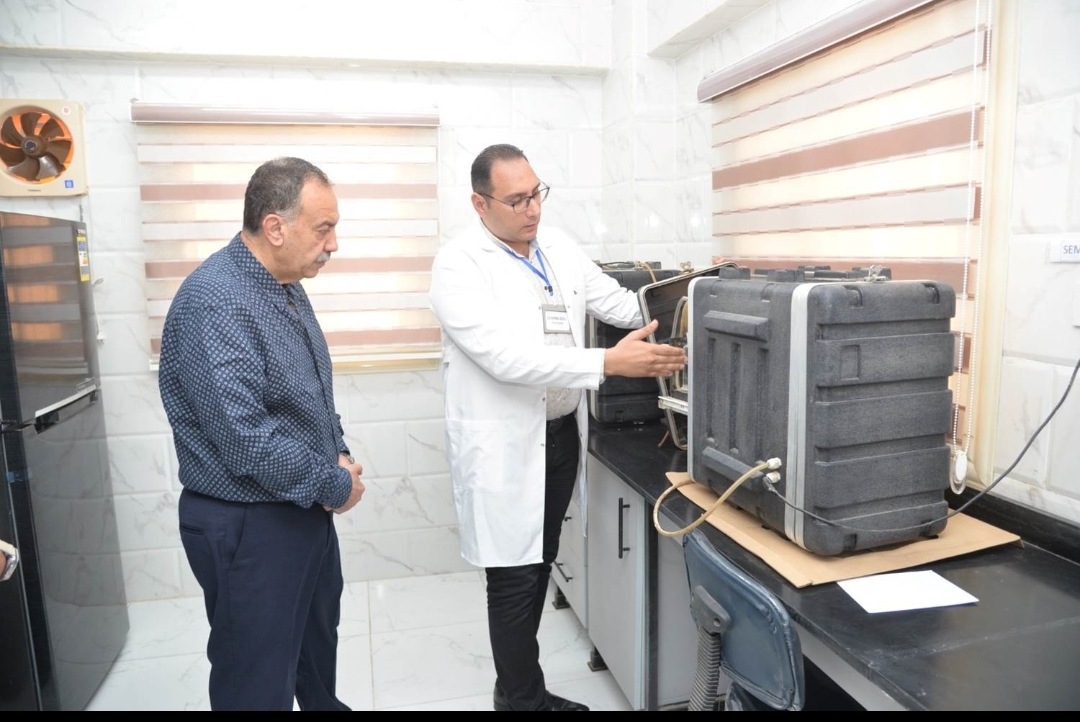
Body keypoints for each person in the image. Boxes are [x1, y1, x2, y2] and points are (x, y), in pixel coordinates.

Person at [429, 144, 688, 712]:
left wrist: (694, 298)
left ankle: (518, 691)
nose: (533, 209)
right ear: (479, 203)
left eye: (537, 194)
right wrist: (608, 362)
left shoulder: (558, 248)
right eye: (516, 200)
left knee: (540, 562)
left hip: (559, 436)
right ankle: (523, 701)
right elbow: (505, 358)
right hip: (503, 445)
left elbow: (623, 305)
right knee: (513, 579)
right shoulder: (458, 266)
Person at [158, 157, 364, 711]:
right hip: (249, 523)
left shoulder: (285, 284)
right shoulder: (216, 300)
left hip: (300, 509)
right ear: (275, 227)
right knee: (256, 684)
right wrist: (335, 483)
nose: (333, 244)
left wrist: (338, 452)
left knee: (314, 662)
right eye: (323, 229)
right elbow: (245, 438)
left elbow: (309, 394)